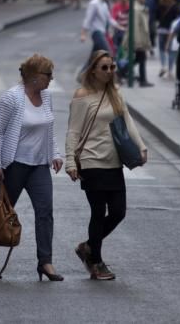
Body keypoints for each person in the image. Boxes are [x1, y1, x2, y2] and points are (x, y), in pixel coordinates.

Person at [0, 55, 65, 281]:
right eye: (49, 75)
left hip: (39, 166)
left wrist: (55, 153)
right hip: (14, 165)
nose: (51, 79)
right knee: (2, 214)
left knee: (45, 213)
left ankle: (45, 262)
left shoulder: (46, 96)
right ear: (35, 77)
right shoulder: (11, 98)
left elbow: (49, 129)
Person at [65, 50, 148, 280]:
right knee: (98, 211)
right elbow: (73, 131)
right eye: (104, 67)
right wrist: (71, 161)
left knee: (119, 211)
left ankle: (88, 246)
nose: (109, 71)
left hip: (113, 162)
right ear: (93, 70)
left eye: (112, 67)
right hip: (91, 162)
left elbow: (127, 121)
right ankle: (96, 262)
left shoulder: (116, 93)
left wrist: (141, 146)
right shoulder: (82, 96)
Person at [80, 0, 112, 64]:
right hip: (97, 32)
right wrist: (83, 33)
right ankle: (113, 75)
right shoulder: (94, 3)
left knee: (92, 59)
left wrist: (119, 26)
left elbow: (109, 18)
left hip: (102, 32)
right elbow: (88, 19)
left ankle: (83, 75)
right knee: (107, 52)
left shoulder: (104, 4)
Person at [156, 0, 180, 79]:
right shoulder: (175, 7)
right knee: (171, 51)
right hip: (171, 31)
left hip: (161, 29)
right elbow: (177, 19)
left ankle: (163, 66)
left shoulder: (160, 5)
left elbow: (157, 17)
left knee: (162, 49)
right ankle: (170, 71)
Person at [131, 0, 153, 87]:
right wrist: (138, 42)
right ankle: (142, 80)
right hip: (139, 39)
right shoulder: (136, 9)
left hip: (142, 38)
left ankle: (142, 80)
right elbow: (135, 27)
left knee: (139, 59)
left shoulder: (140, 7)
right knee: (141, 59)